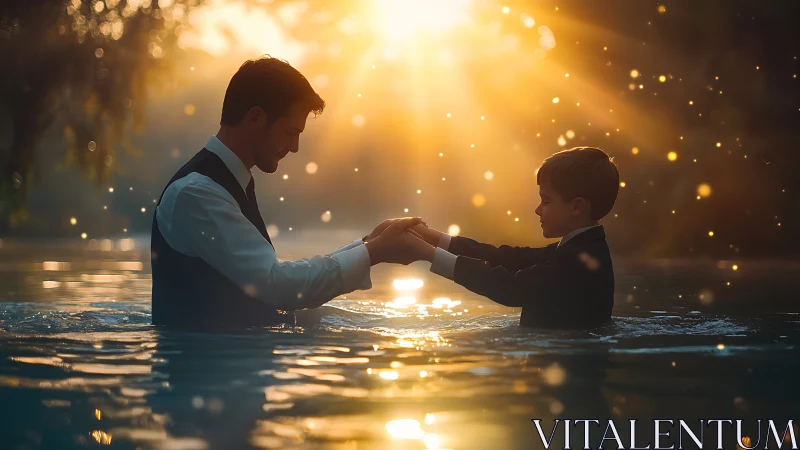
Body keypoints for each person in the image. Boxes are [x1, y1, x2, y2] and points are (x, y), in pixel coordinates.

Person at [150, 56, 428, 331]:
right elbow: (279, 285)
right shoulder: (197, 194)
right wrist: (375, 252)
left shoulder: (226, 184)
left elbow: (274, 280)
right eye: (289, 132)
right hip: (207, 369)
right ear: (255, 116)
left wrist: (369, 243)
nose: (294, 147)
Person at [412, 147, 620, 329]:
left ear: (576, 207)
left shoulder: (577, 262)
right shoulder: (579, 250)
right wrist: (436, 239)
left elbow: (510, 287)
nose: (538, 210)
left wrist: (428, 254)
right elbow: (507, 258)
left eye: (546, 201)